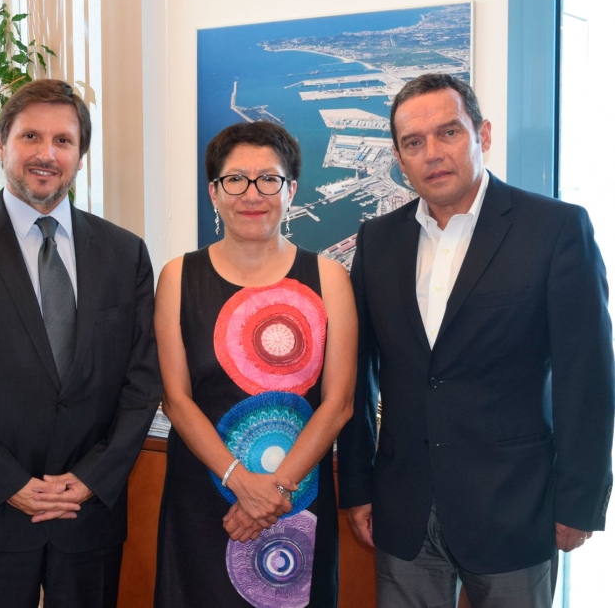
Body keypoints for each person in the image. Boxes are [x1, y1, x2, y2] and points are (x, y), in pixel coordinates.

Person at [336, 73, 615, 607]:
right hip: (404, 507)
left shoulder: (555, 229)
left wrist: (579, 503)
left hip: (516, 507)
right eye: (414, 143)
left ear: (482, 135)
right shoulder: (378, 240)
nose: (433, 153)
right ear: (399, 156)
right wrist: (358, 486)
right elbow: (359, 369)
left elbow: (589, 376)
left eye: (449, 133)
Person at [0, 78, 162, 607]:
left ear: (80, 156)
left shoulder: (124, 253)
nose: (46, 154)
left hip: (88, 513)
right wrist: (10, 483)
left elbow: (142, 381)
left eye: (63, 141)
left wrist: (90, 479)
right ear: (1, 146)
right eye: (30, 137)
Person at [154, 121, 357, 607]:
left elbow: (340, 403)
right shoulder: (178, 276)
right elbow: (175, 399)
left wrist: (273, 491)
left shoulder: (329, 277)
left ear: (290, 191)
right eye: (235, 180)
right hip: (202, 498)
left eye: (269, 179)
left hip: (295, 499)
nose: (252, 193)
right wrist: (240, 482)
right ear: (214, 192)